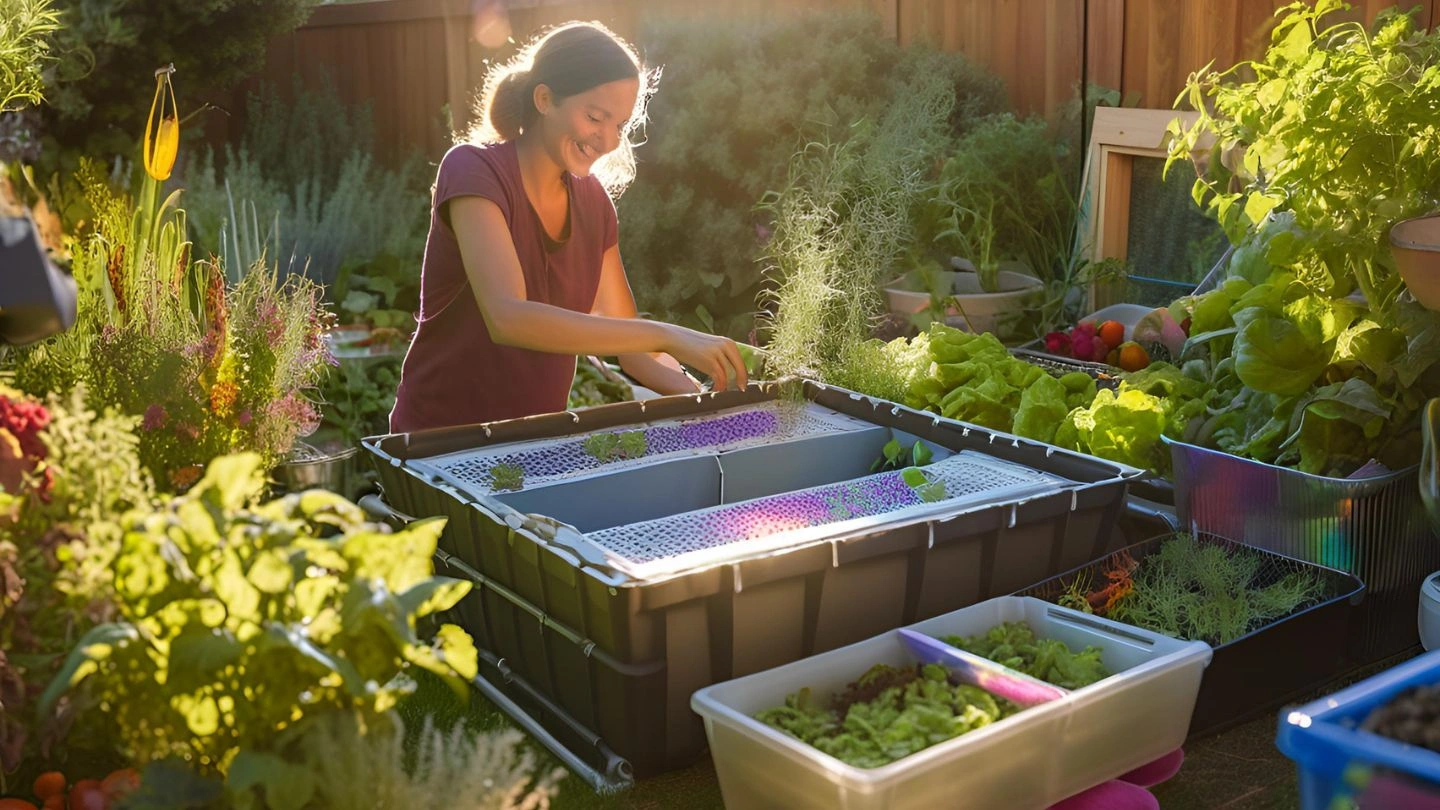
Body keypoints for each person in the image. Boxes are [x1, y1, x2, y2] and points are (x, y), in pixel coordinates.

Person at [390, 21, 747, 433]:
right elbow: (508, 317)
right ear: (544, 98)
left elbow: (635, 351)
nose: (609, 141)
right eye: (596, 117)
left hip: (536, 448)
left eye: (620, 126)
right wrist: (667, 334)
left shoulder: (594, 205)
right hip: (439, 445)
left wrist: (717, 398)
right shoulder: (474, 171)